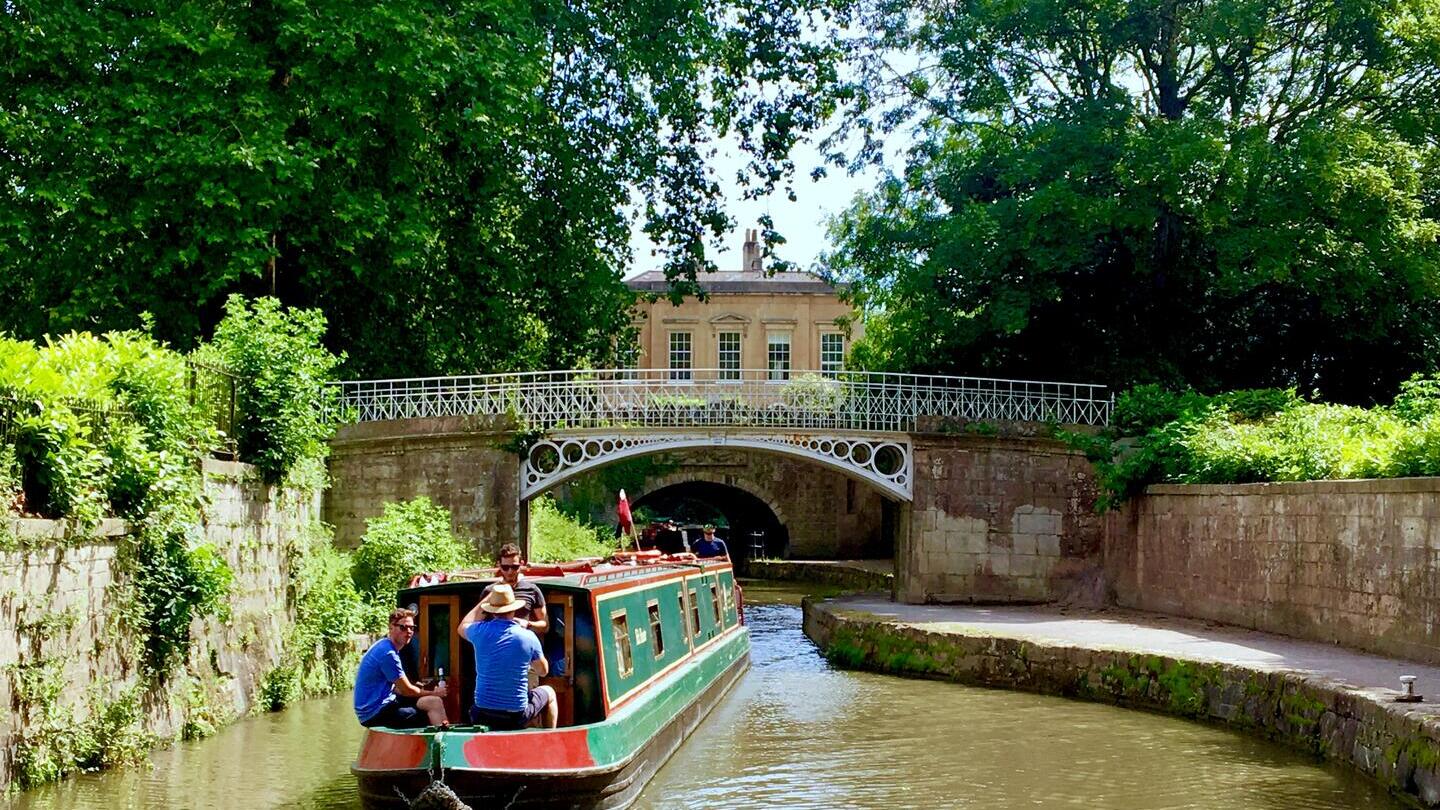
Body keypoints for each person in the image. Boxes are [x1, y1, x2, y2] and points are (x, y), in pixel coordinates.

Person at [460, 584, 558, 730]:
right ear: (514, 609)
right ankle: (550, 739)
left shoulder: (479, 631)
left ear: (491, 611)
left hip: (482, 714)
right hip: (515, 716)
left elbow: (463, 625)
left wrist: (487, 600)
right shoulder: (528, 636)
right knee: (549, 693)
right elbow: (543, 671)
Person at [354, 608, 448, 728]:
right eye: (403, 627)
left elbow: (397, 688)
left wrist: (426, 693)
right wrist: (434, 692)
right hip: (373, 713)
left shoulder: (387, 646)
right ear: (391, 627)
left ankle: (443, 740)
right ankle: (436, 743)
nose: (408, 631)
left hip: (385, 703)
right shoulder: (387, 654)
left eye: (412, 628)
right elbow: (406, 690)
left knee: (434, 702)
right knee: (420, 716)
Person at [481, 543, 548, 634]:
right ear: (499, 565)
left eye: (514, 567)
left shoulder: (532, 590)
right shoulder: (489, 592)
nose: (510, 572)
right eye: (505, 567)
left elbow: (545, 625)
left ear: (521, 564)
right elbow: (478, 624)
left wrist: (527, 624)